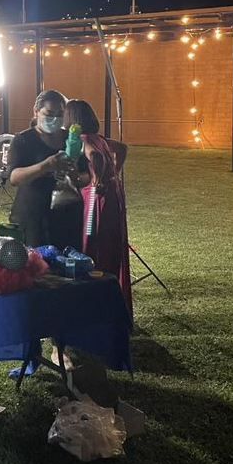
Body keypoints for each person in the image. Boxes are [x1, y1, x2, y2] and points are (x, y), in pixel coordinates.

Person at [63, 99, 132, 314]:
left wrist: (97, 178)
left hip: (96, 196)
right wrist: (114, 173)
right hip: (112, 194)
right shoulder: (99, 138)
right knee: (111, 241)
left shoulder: (84, 139)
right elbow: (122, 148)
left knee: (93, 241)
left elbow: (94, 155)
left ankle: (94, 295)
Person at [6, 89, 87, 250]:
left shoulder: (71, 139)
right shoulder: (23, 140)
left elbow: (86, 176)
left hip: (67, 216)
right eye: (49, 114)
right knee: (37, 262)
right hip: (33, 217)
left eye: (60, 114)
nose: (55, 119)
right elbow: (14, 177)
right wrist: (45, 166)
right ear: (36, 112)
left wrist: (74, 174)